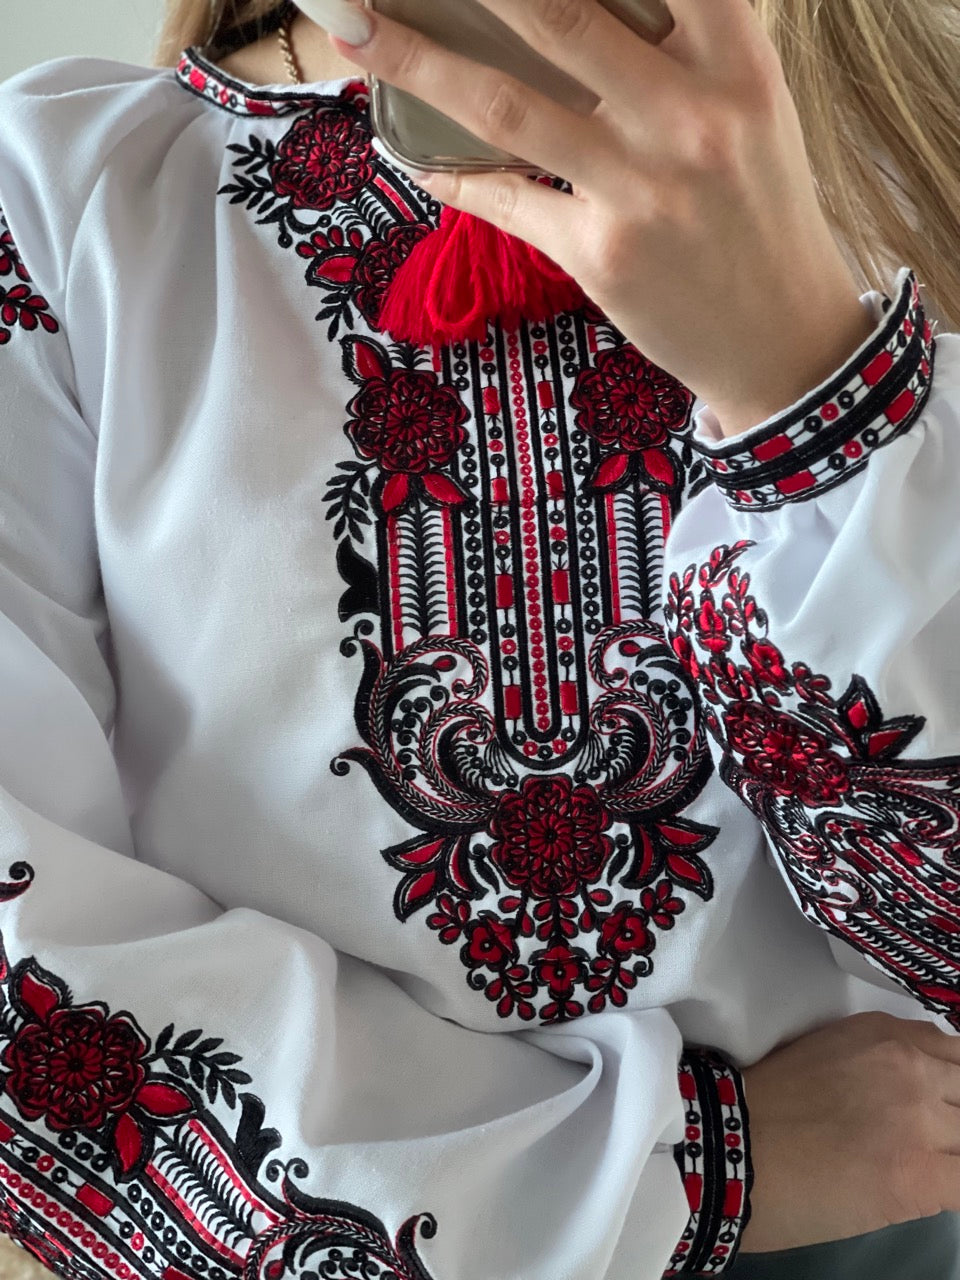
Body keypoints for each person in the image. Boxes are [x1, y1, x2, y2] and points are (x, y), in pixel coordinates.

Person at [0, 0, 958, 1277]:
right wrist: (699, 1168)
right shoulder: (58, 206)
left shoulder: (912, 158)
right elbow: (34, 995)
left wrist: (808, 387)